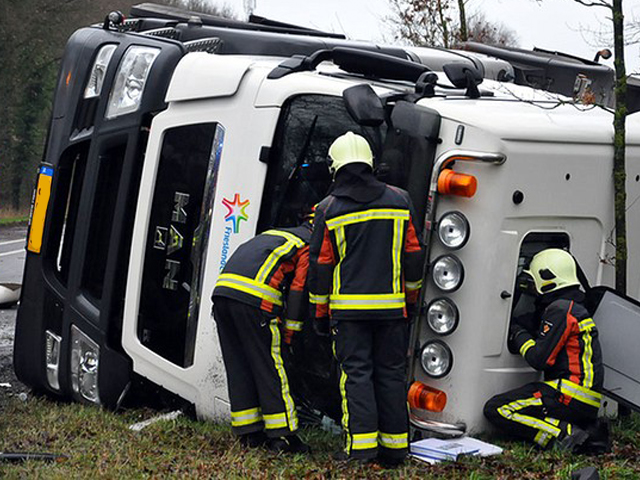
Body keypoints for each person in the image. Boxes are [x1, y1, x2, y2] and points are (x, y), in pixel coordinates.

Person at [308, 131, 424, 466]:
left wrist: (319, 312)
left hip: (348, 314)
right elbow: (413, 254)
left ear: (335, 167)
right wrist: (411, 298)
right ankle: (396, 449)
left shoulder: (328, 209)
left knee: (356, 375)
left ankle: (361, 451)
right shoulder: (400, 200)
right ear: (370, 164)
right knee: (390, 373)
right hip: (392, 311)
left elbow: (322, 265)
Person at [484, 248, 609, 453]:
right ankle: (582, 432)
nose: (532, 289)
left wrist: (517, 333)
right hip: (583, 399)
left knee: (497, 409)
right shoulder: (573, 307)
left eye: (534, 283)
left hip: (569, 395)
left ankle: (565, 435)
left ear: (548, 278)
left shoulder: (561, 310)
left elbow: (539, 359)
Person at [211, 218, 312, 453]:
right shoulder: (307, 244)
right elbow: (299, 290)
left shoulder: (276, 234)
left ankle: (249, 433)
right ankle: (283, 437)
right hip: (255, 301)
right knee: (271, 367)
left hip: (222, 295)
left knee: (238, 364)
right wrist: (290, 334)